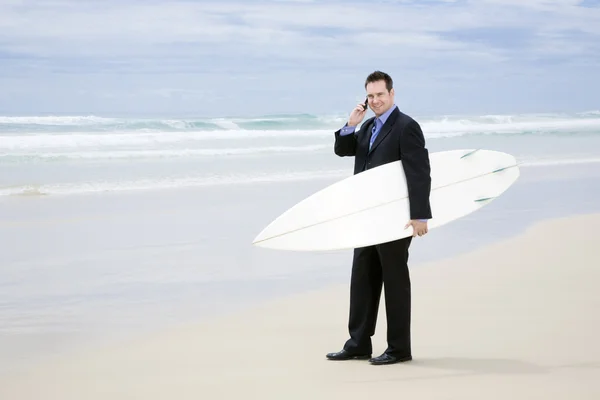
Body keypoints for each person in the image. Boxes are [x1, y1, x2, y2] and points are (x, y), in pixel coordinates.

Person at [326, 70, 432, 365]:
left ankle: (399, 348)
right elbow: (343, 151)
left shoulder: (406, 127)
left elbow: (419, 172)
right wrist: (351, 124)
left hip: (394, 219)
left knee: (394, 281)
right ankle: (358, 343)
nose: (375, 100)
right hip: (367, 217)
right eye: (370, 96)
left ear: (392, 94)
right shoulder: (368, 126)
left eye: (380, 95)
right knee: (362, 278)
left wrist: (420, 214)